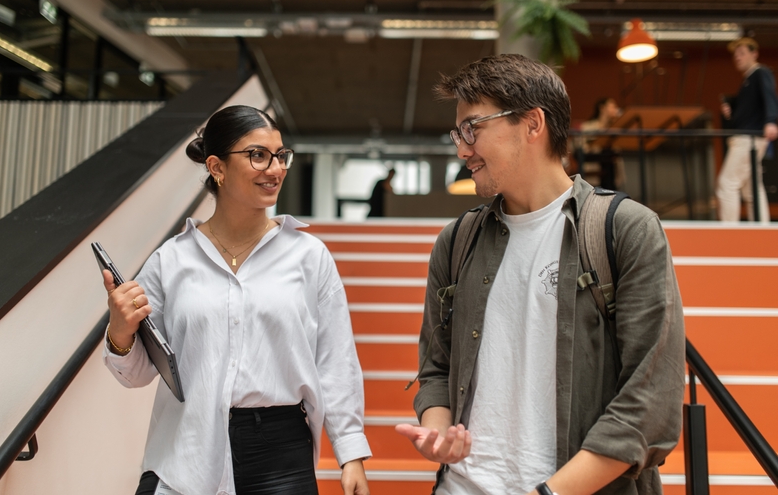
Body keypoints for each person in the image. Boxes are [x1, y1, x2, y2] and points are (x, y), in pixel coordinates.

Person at [395, 55, 685, 495]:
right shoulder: (456, 242)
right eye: (458, 133)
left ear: (533, 123)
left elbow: (649, 406)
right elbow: (437, 367)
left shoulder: (625, 229)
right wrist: (437, 432)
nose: (462, 150)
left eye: (473, 129)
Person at [102, 105, 371, 495]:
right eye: (258, 155)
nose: (276, 169)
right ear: (217, 167)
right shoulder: (170, 260)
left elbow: (336, 360)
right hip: (185, 447)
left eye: (281, 156)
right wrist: (120, 332)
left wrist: (351, 454)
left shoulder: (309, 256)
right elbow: (140, 373)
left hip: (281, 451)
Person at [717, 37, 778, 223]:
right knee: (751, 189)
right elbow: (751, 107)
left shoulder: (760, 73)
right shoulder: (748, 80)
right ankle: (762, 231)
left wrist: (771, 121)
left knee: (727, 184)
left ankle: (729, 234)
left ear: (754, 54)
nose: (737, 57)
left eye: (742, 53)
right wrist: (732, 107)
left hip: (748, 138)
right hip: (748, 137)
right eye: (735, 54)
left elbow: (769, 95)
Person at [577, 97, 623, 190]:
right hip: (595, 163)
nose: (615, 109)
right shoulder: (588, 126)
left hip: (611, 167)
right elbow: (583, 147)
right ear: (602, 108)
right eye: (612, 106)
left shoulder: (615, 128)